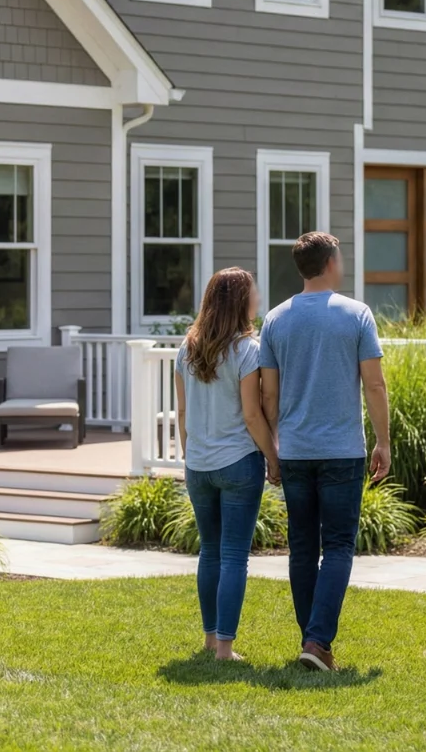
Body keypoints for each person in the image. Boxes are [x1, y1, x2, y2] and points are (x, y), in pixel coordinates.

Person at [259, 232, 390, 673]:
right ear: (331, 262)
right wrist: (383, 441)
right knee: (336, 547)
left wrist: (274, 447)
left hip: (295, 450)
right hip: (341, 451)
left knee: (301, 548)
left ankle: (312, 642)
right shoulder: (357, 314)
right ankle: (316, 642)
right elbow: (374, 384)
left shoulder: (275, 320)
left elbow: (269, 396)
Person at [175, 267, 279, 662]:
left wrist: (190, 457)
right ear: (241, 301)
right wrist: (273, 456)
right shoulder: (247, 350)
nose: (258, 299)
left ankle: (208, 639)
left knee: (210, 551)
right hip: (238, 462)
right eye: (254, 293)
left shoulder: (187, 347)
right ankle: (225, 649)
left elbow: (182, 413)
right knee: (234, 555)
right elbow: (253, 416)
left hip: (198, 465)